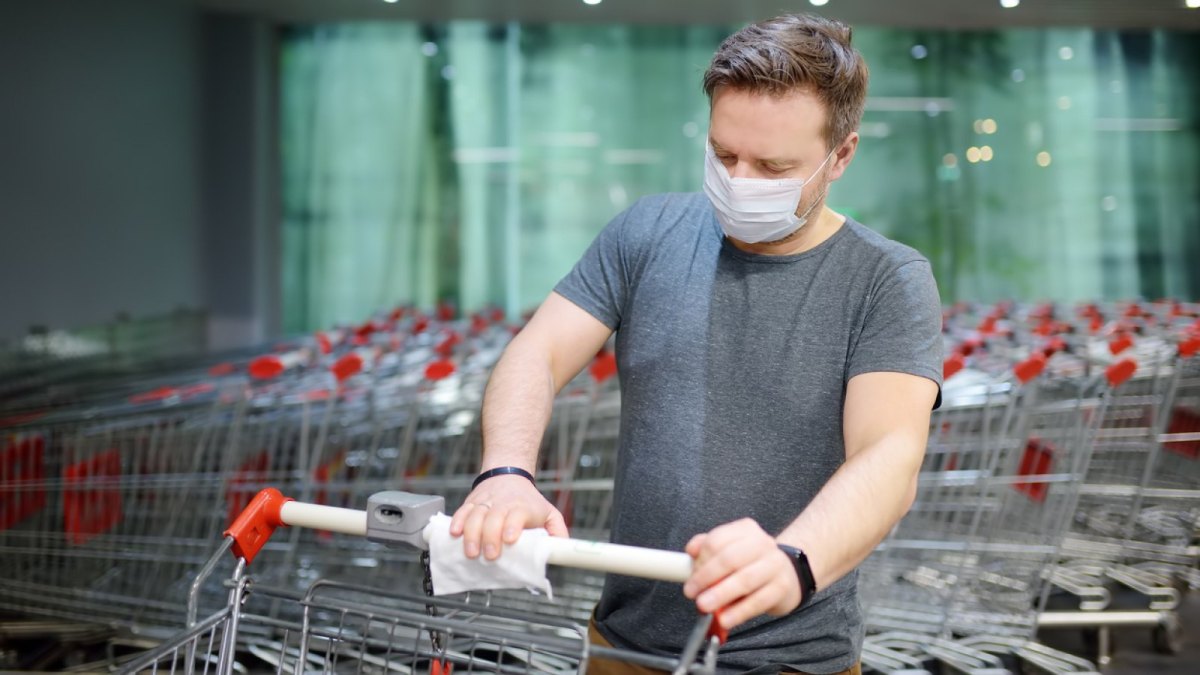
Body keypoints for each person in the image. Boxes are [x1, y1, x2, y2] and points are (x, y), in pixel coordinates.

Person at [449, 13, 942, 675]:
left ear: (842, 155)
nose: (739, 180)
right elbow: (537, 351)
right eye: (723, 153)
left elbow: (889, 453)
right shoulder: (647, 232)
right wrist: (505, 471)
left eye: (773, 166)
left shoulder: (887, 278)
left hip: (791, 658)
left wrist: (792, 559)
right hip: (623, 646)